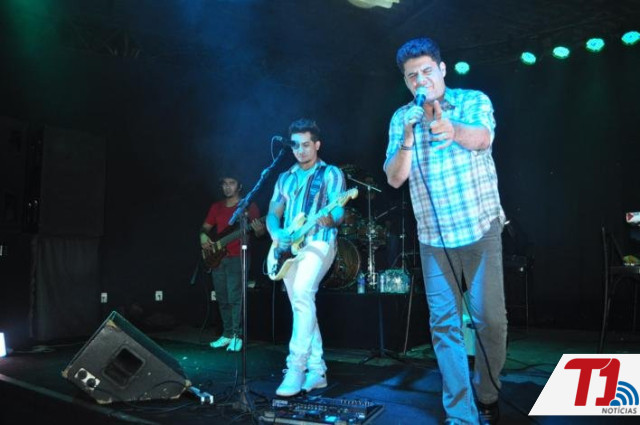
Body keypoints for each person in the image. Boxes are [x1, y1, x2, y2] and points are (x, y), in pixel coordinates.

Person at [384, 37, 507, 425]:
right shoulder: (401, 119)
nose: (420, 80)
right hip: (434, 240)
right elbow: (394, 178)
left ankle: (486, 394)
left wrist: (452, 130)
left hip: (480, 230)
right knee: (444, 327)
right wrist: (407, 138)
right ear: (406, 82)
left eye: (426, 71)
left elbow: (483, 138)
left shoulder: (472, 101)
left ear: (442, 69)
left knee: (491, 322)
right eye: (412, 76)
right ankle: (461, 414)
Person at [266, 118, 346, 397]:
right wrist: (277, 234)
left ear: (317, 145)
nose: (300, 150)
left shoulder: (330, 173)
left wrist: (331, 219)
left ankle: (296, 367)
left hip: (320, 241)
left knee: (301, 293)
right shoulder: (284, 177)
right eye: (296, 146)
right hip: (290, 246)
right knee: (302, 304)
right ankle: (317, 370)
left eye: (306, 145)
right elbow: (273, 213)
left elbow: (339, 209)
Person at [200, 174, 265, 352]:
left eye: (231, 183)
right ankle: (227, 334)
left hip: (238, 257)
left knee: (236, 297)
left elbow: (259, 233)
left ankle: (238, 335)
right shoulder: (216, 207)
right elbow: (205, 228)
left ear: (239, 186)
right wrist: (203, 236)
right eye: (224, 184)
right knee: (222, 298)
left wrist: (259, 230)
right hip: (218, 258)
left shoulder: (248, 206)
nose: (227, 187)